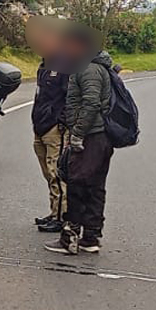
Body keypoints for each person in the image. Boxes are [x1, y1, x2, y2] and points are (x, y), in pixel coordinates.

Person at [47, 44, 116, 256]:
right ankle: (90, 238)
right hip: (99, 137)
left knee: (77, 184)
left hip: (91, 137)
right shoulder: (95, 67)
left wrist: (77, 133)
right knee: (95, 187)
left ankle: (70, 237)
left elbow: (91, 103)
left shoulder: (89, 69)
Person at [30, 60, 69, 232]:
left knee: (56, 174)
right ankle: (54, 212)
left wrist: (62, 122)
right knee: (48, 173)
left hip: (54, 128)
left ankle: (61, 217)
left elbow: (71, 97)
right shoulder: (44, 66)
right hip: (40, 124)